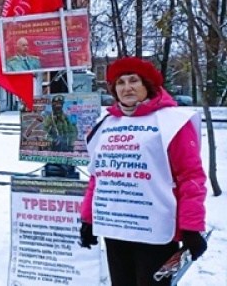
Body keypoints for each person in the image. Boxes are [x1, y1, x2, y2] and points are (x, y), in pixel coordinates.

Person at [79, 57, 207, 286]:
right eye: (120, 83)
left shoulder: (172, 121)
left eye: (133, 81)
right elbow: (98, 176)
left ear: (146, 84)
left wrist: (191, 227)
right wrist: (88, 219)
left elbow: (190, 177)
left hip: (155, 230)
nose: (126, 87)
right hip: (115, 227)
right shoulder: (105, 123)